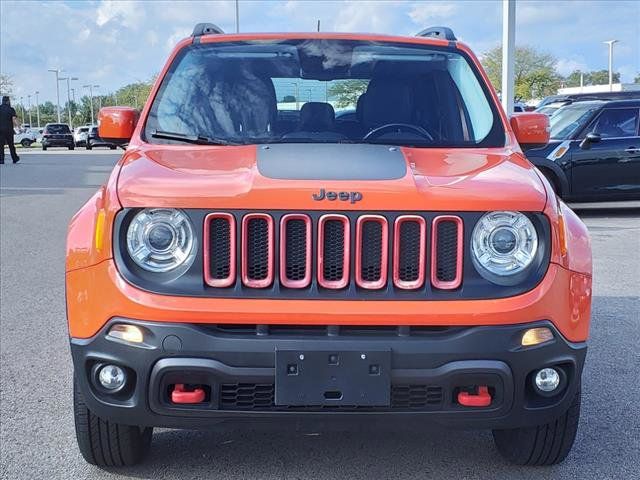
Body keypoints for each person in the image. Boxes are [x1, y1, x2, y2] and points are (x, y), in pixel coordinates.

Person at [0, 96, 20, 164]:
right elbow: (14, 119)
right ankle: (14, 158)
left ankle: (1, 159)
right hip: (9, 130)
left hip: (0, 130)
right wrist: (18, 127)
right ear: (8, 101)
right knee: (11, 145)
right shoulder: (11, 109)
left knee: (1, 145)